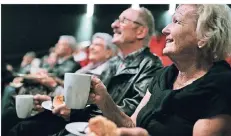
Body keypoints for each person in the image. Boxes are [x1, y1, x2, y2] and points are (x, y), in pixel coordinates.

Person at [7, 7, 162, 136]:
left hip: (101, 129)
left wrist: (72, 112)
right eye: (116, 20)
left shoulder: (151, 66)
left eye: (123, 21)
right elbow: (87, 99)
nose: (114, 24)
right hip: (81, 122)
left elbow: (128, 116)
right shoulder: (114, 62)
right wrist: (52, 102)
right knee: (18, 125)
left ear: (140, 32)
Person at [88, 4, 231, 136]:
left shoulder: (221, 85)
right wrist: (104, 100)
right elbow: (131, 125)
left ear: (204, 35)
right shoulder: (164, 75)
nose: (164, 30)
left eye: (176, 21)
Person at [1, 35, 80, 136]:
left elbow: (49, 77)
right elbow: (42, 73)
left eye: (60, 44)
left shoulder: (72, 64)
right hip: (45, 94)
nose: (56, 46)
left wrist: (40, 75)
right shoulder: (55, 61)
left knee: (11, 111)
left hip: (51, 97)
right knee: (9, 100)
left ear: (68, 48)